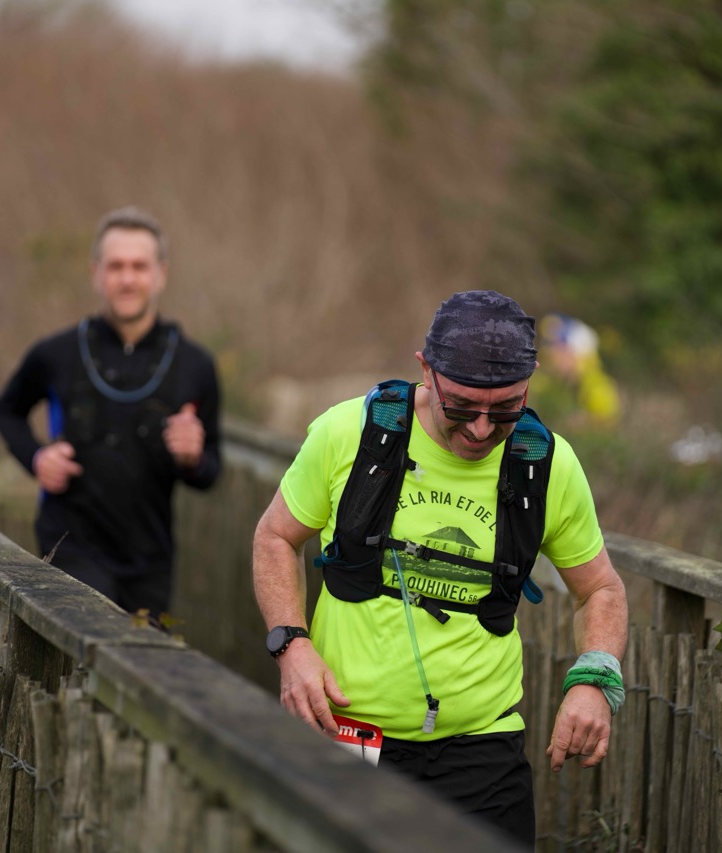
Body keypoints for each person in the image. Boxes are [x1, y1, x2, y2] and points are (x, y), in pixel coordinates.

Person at [252, 290, 628, 847]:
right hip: (346, 733)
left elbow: (600, 589)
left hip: (482, 749)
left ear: (529, 385)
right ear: (425, 370)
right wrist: (292, 646)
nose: (480, 430)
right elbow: (275, 537)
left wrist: (595, 679)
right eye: (461, 408)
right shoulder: (349, 433)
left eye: (505, 410)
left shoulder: (546, 464)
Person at [0, 206, 221, 624]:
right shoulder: (57, 353)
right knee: (83, 651)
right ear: (96, 273)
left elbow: (211, 472)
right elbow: (6, 410)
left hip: (150, 562)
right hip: (70, 547)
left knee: (147, 658)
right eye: (116, 266)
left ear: (161, 274)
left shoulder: (195, 366)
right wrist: (37, 458)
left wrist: (193, 457)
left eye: (139, 266)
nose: (127, 279)